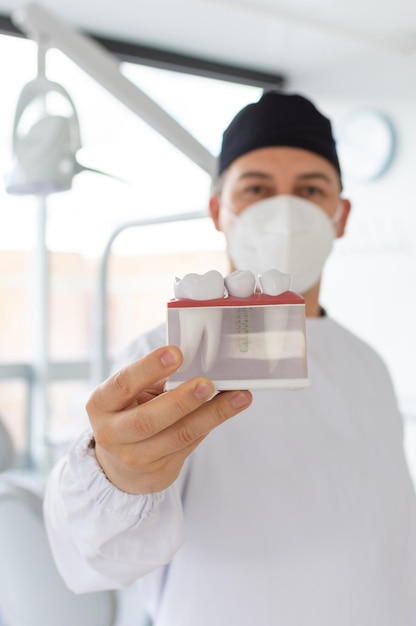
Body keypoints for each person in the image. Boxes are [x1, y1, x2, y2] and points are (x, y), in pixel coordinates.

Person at [44, 91, 416, 626]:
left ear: (341, 215)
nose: (285, 214)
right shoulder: (165, 363)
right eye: (257, 189)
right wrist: (116, 473)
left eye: (310, 190)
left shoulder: (369, 366)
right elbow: (89, 556)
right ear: (220, 210)